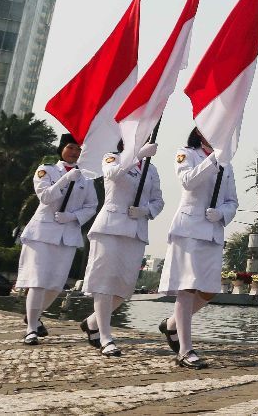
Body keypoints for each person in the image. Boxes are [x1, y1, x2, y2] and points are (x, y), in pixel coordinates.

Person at [157, 127, 238, 369]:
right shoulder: (187, 154)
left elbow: (232, 200)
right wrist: (213, 158)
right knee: (187, 287)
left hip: (212, 231)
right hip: (189, 228)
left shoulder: (226, 164)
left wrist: (222, 213)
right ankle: (185, 350)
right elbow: (188, 181)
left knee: (209, 290)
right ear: (200, 133)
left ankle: (172, 324)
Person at [79, 139, 164, 356]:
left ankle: (92, 322)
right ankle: (105, 336)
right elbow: (112, 174)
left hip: (136, 230)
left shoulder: (151, 168)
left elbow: (158, 201)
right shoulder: (113, 156)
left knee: (125, 287)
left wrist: (145, 210)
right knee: (105, 282)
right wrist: (136, 155)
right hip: (111, 226)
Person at [16, 133, 98, 345]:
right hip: (42, 233)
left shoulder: (86, 178)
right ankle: (31, 328)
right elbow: (45, 196)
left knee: (55, 286)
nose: (74, 152)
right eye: (71, 147)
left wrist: (73, 216)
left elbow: (91, 206)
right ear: (62, 148)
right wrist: (64, 179)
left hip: (67, 234)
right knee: (37, 282)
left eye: (79, 150)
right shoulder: (47, 170)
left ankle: (32, 315)